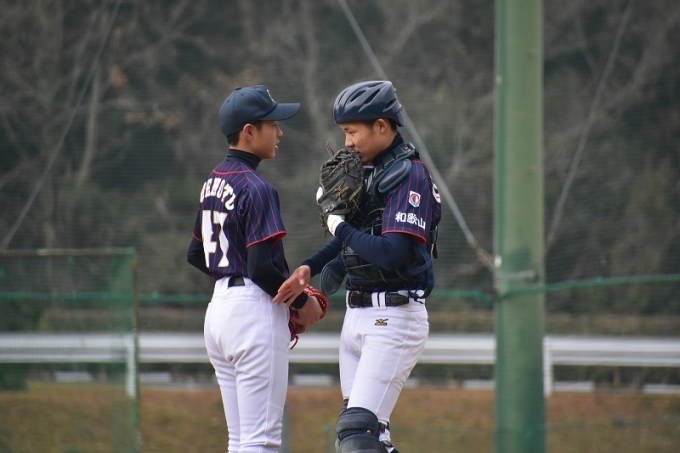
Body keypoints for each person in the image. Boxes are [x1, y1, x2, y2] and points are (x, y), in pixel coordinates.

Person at [274, 80, 442, 453]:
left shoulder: (408, 175)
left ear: (381, 126)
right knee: (363, 436)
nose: (347, 142)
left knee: (358, 435)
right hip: (358, 315)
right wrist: (310, 266)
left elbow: (390, 253)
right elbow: (354, 236)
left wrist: (338, 224)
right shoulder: (372, 171)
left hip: (393, 316)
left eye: (352, 132)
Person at [187, 85, 324, 453]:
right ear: (249, 131)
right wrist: (302, 303)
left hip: (219, 312)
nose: (279, 132)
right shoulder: (257, 187)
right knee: (261, 441)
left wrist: (235, 280)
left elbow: (196, 254)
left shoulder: (212, 182)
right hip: (252, 312)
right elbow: (261, 269)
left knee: (240, 441)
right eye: (272, 124)